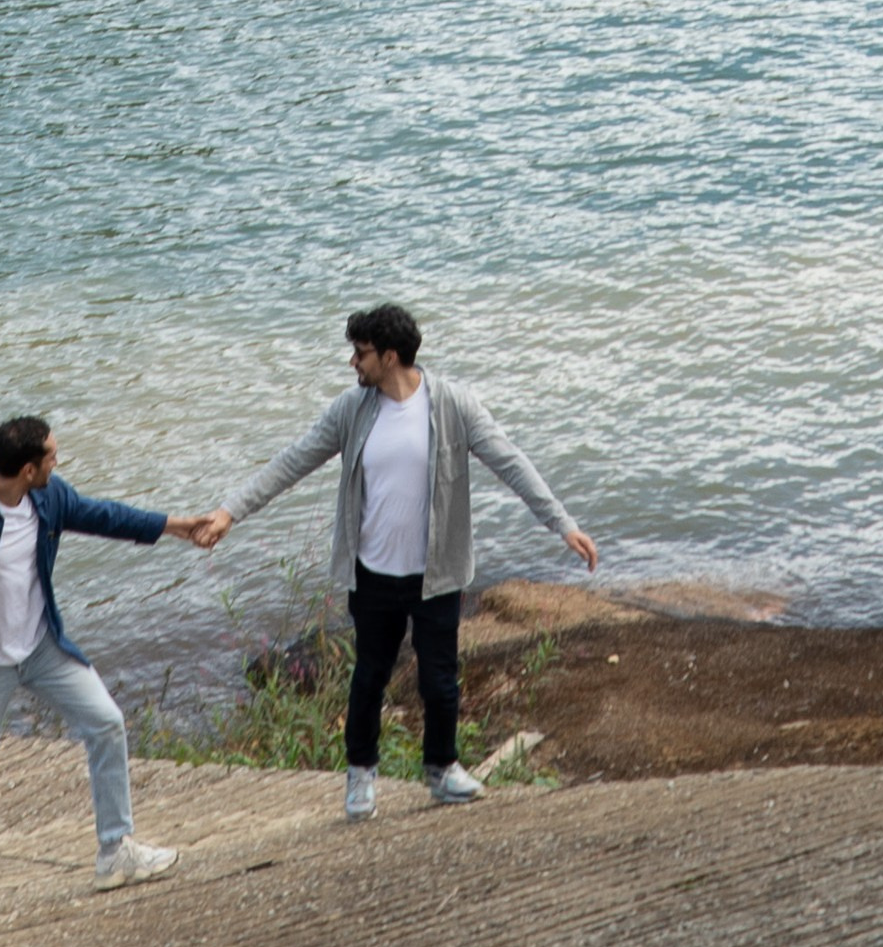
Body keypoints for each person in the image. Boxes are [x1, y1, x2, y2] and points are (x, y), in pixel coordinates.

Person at [199, 303, 597, 821]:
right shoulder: (352, 409)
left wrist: (562, 523)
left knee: (440, 679)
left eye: (360, 353)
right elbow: (293, 460)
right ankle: (361, 774)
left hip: (436, 573)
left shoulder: (452, 404)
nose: (353, 363)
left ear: (390, 357)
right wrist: (231, 510)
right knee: (369, 677)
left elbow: (510, 462)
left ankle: (442, 770)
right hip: (372, 573)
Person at [0, 412, 215, 908]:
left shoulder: (49, 498)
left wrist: (177, 526)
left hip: (42, 649)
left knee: (107, 723)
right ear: (28, 469)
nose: (57, 462)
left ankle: (115, 851)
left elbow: (104, 516)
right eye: (52, 456)